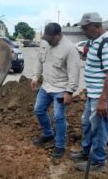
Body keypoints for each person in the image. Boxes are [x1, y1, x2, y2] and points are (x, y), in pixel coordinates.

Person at [70, 12, 108, 172]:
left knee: (99, 129)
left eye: (85, 27)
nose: (83, 30)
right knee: (87, 124)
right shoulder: (94, 41)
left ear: (96, 26)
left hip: (101, 98)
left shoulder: (107, 43)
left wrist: (102, 99)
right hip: (94, 95)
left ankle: (98, 162)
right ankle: (86, 152)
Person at [31, 22, 80, 158]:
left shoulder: (70, 49)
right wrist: (35, 77)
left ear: (59, 35)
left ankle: (60, 145)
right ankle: (48, 134)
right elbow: (39, 61)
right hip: (46, 86)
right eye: (46, 39)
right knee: (38, 110)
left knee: (58, 117)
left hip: (61, 88)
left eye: (51, 39)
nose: (48, 41)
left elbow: (74, 72)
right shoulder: (45, 43)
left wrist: (69, 92)